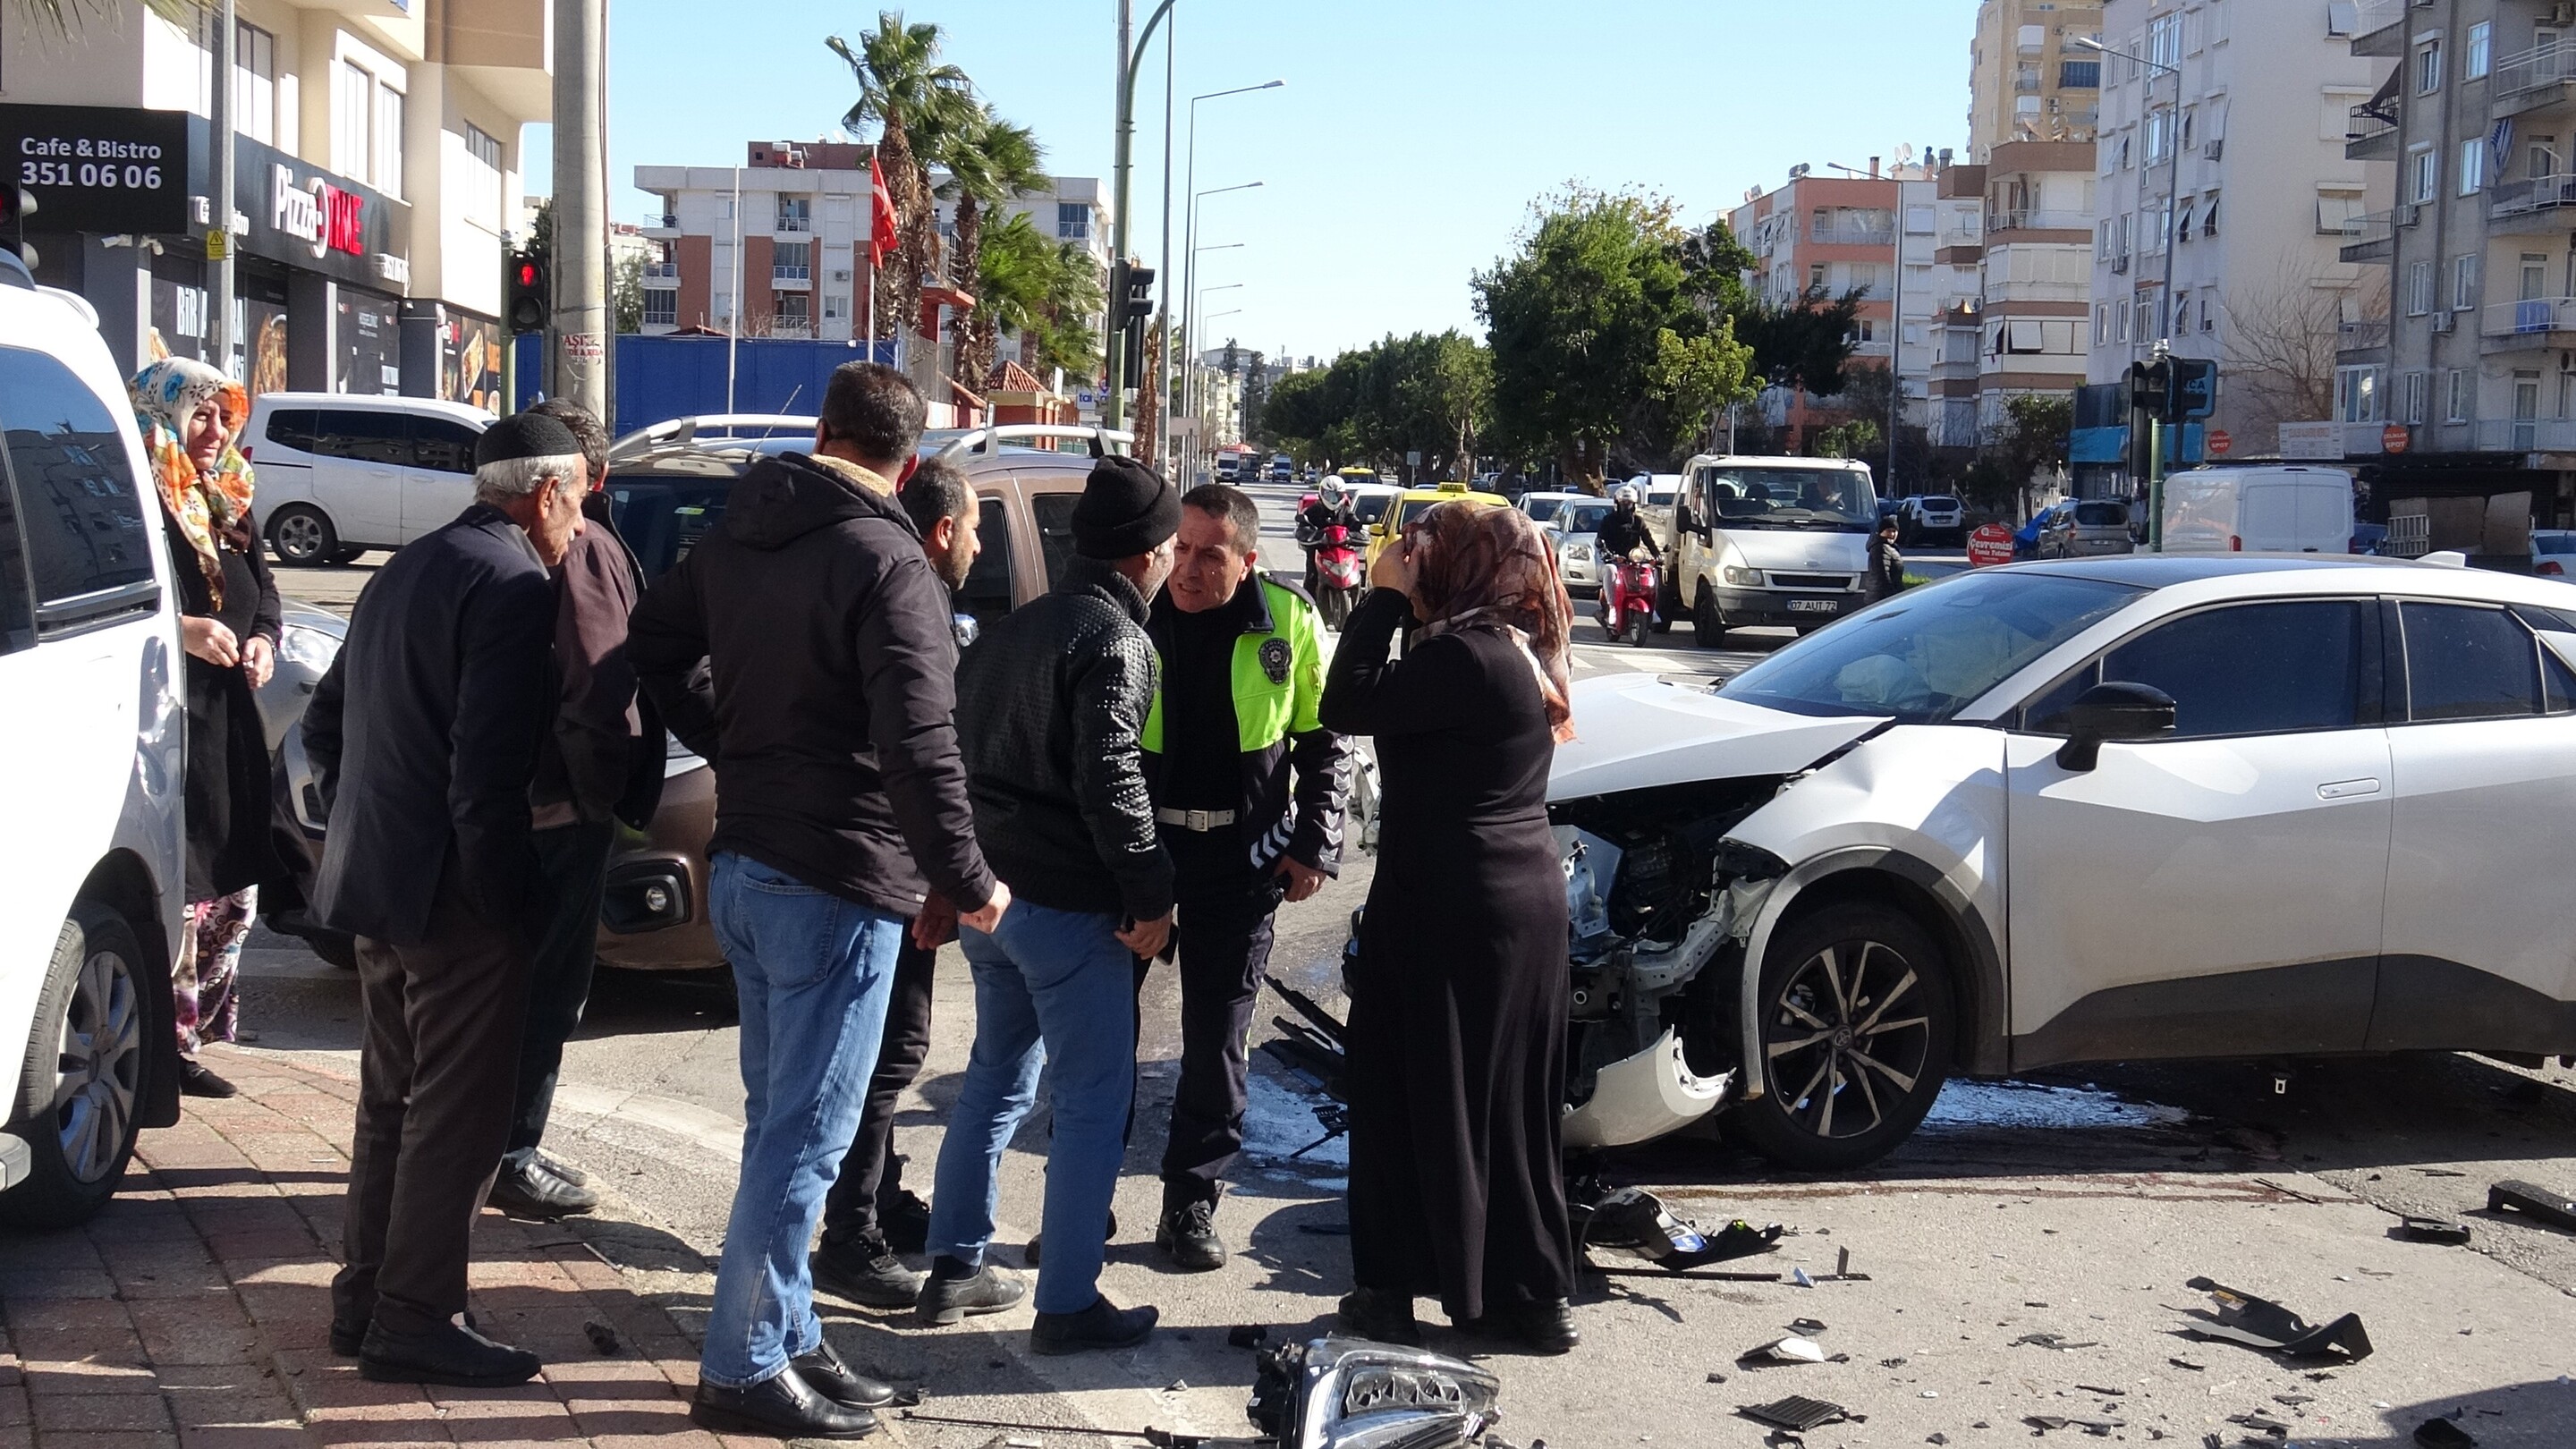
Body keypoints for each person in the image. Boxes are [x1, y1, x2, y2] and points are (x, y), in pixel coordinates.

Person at [630, 361, 1006, 1441]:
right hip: (833, 878)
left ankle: (787, 1334)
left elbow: (653, 648)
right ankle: (744, 1365)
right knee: (803, 1141)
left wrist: (738, 742)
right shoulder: (891, 559)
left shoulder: (741, 529)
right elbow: (921, 744)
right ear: (911, 456)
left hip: (750, 866)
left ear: (825, 430)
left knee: (782, 1129)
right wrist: (967, 877)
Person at [303, 413, 590, 1388]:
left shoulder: (407, 567)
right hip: (450, 894)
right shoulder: (512, 584)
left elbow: (327, 724)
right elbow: (486, 777)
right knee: (458, 1115)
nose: (582, 527)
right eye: (579, 502)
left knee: (392, 1101)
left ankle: (368, 1296)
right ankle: (415, 1314)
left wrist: (370, 829)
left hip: (375, 877)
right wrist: (511, 900)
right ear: (544, 493)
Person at [1318, 500, 1581, 1356]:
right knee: (1504, 1103)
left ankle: (1391, 1291)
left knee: (1401, 1091)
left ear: (1464, 565)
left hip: (1450, 902)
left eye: (1425, 552)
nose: (1411, 561)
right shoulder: (1506, 653)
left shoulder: (1467, 658)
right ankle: (1525, 1295)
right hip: (1512, 902)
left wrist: (1382, 600)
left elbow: (1345, 701)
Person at [928, 455, 1177, 1357]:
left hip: (993, 895)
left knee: (996, 1078)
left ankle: (953, 1264)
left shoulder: (1012, 630)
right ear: (1149, 553)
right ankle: (1067, 1301)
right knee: (1089, 1101)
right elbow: (1111, 778)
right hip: (1067, 905)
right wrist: (1154, 895)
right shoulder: (1116, 641)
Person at [1138, 483, 1348, 1270]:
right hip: (1143, 855)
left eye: (1208, 555)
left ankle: (1191, 1202)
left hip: (1243, 861)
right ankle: (1082, 1198)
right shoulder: (1138, 614)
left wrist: (1313, 844)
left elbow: (1324, 745)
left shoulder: (1288, 621)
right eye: (1179, 550)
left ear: (1248, 560)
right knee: (1098, 1040)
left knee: (1216, 1041)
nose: (1187, 570)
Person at [809, 457, 983, 1309]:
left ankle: (870, 1199)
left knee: (849, 1060)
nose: (981, 549)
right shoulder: (911, 594)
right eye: (977, 530)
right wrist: (954, 879)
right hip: (886, 866)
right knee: (885, 1056)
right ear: (943, 529)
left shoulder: (836, 567)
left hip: (826, 851)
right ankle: (850, 1236)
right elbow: (921, 756)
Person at [486, 399, 664, 1219]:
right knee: (547, 990)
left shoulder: (487, 548)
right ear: (586, 482)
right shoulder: (584, 549)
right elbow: (598, 691)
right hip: (555, 812)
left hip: (513, 805)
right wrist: (601, 797)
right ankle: (511, 1151)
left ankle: (496, 1143)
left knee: (506, 987)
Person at [132, 359, 285, 1101]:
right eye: (199, 414)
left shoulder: (226, 496)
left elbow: (265, 591)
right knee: (187, 887)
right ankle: (168, 1045)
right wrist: (181, 628)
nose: (215, 430)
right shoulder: (137, 496)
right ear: (160, 414)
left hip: (229, 716)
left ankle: (191, 1031)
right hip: (163, 718)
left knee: (236, 888)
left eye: (225, 415)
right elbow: (119, 598)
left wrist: (262, 637)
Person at [1296, 479, 1354, 593]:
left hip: (1343, 553)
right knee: (1311, 576)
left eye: (1337, 495)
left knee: (1355, 575)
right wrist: (1309, 534)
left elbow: (1356, 525)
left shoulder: (1346, 511)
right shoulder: (1313, 511)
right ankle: (1309, 605)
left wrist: (1358, 534)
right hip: (1319, 550)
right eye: (1329, 495)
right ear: (1322, 493)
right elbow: (1303, 527)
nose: (1333, 499)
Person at [1594, 485, 1659, 565]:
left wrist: (1657, 554)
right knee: (1610, 571)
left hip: (1633, 561)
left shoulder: (1638, 521)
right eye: (1623, 503)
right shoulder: (1608, 520)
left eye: (1629, 503)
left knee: (1647, 571)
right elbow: (1600, 539)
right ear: (1617, 504)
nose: (1626, 506)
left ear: (1634, 505)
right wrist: (1608, 554)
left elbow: (1648, 540)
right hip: (1612, 561)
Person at [1864, 513, 1906, 604]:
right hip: (1881, 599)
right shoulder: (1881, 548)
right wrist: (1893, 597)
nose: (1892, 534)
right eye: (1888, 530)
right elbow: (1883, 577)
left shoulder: (1887, 547)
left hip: (1880, 597)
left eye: (1894, 531)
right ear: (1881, 532)